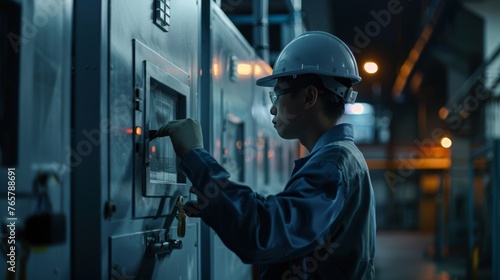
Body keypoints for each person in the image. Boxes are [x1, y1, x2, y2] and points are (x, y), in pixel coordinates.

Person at [158, 31, 376, 279]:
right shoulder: (341, 159)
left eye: (278, 93)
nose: (272, 107)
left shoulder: (333, 165)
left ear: (309, 96)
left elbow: (266, 233)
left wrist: (196, 156)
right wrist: (219, 205)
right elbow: (292, 224)